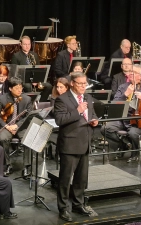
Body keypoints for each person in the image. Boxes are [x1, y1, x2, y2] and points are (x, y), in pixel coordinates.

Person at [54, 72, 99, 222]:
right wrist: (77, 111)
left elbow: (93, 114)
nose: (83, 87)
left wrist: (95, 120)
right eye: (80, 84)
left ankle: (78, 204)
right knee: (66, 179)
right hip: (69, 144)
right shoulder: (62, 99)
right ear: (72, 83)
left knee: (81, 178)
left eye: (84, 84)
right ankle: (63, 208)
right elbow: (60, 120)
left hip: (85, 142)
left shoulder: (88, 97)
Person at [100, 64, 141, 162]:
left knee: (133, 133)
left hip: (137, 121)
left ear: (140, 76)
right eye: (130, 72)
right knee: (105, 128)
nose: (131, 74)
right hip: (122, 119)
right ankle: (123, 145)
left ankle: (135, 154)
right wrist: (125, 94)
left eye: (134, 72)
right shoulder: (123, 87)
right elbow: (115, 103)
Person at [0, 77, 32, 177]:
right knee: (2, 138)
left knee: (28, 138)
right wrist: (7, 126)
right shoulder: (2, 99)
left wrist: (17, 125)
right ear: (10, 89)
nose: (20, 90)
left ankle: (26, 166)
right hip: (7, 126)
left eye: (21, 87)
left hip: (21, 126)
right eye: (17, 88)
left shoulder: (27, 99)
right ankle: (7, 165)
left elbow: (28, 116)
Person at [11, 36, 52, 102]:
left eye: (29, 44)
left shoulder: (34, 54)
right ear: (20, 44)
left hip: (35, 79)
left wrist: (37, 80)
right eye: (25, 44)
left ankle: (41, 102)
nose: (27, 46)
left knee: (49, 86)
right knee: (28, 86)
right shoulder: (16, 56)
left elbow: (39, 69)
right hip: (24, 80)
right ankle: (30, 103)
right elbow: (14, 73)